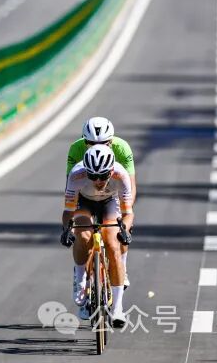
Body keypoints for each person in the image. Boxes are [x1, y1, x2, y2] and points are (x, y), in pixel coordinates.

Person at [61, 144, 134, 327]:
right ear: (86, 171)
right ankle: (80, 278)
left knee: (112, 244)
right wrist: (67, 229)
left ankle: (118, 308)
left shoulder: (121, 175)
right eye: (93, 176)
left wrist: (124, 230)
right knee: (84, 236)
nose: (99, 181)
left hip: (110, 201)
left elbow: (128, 213)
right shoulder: (76, 175)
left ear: (111, 171)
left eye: (103, 175)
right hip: (84, 202)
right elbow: (68, 211)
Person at [66, 117, 136, 285]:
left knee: (116, 235)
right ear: (84, 141)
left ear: (111, 141)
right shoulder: (76, 149)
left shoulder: (122, 148)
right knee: (83, 235)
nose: (97, 147)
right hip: (84, 195)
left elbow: (131, 187)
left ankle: (122, 266)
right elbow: (70, 187)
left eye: (104, 143)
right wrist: (70, 226)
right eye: (90, 143)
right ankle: (80, 276)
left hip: (113, 194)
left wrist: (126, 215)